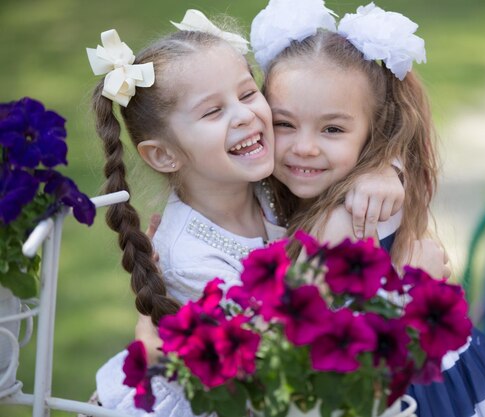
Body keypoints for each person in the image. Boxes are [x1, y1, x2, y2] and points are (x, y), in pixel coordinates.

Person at [86, 9, 407, 417]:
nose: (244, 115)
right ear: (163, 155)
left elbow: (349, 137)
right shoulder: (191, 261)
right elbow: (274, 367)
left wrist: (383, 169)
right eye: (212, 111)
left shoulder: (269, 179)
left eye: (247, 93)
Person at [250, 1, 485, 416]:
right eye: (284, 123)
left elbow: (286, 334)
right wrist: (390, 165)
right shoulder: (361, 184)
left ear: (373, 133)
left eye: (332, 129)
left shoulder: (344, 218)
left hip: (402, 395)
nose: (304, 146)